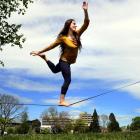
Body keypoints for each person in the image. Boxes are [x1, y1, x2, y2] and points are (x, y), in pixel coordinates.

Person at [30, 1, 90, 106]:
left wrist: (85, 11)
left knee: (54, 70)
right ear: (68, 25)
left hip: (69, 62)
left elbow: (86, 23)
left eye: (76, 23)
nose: (76, 25)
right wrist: (39, 51)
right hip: (64, 61)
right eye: (73, 23)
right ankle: (61, 100)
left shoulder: (77, 35)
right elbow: (51, 46)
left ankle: (45, 58)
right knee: (68, 79)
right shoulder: (63, 38)